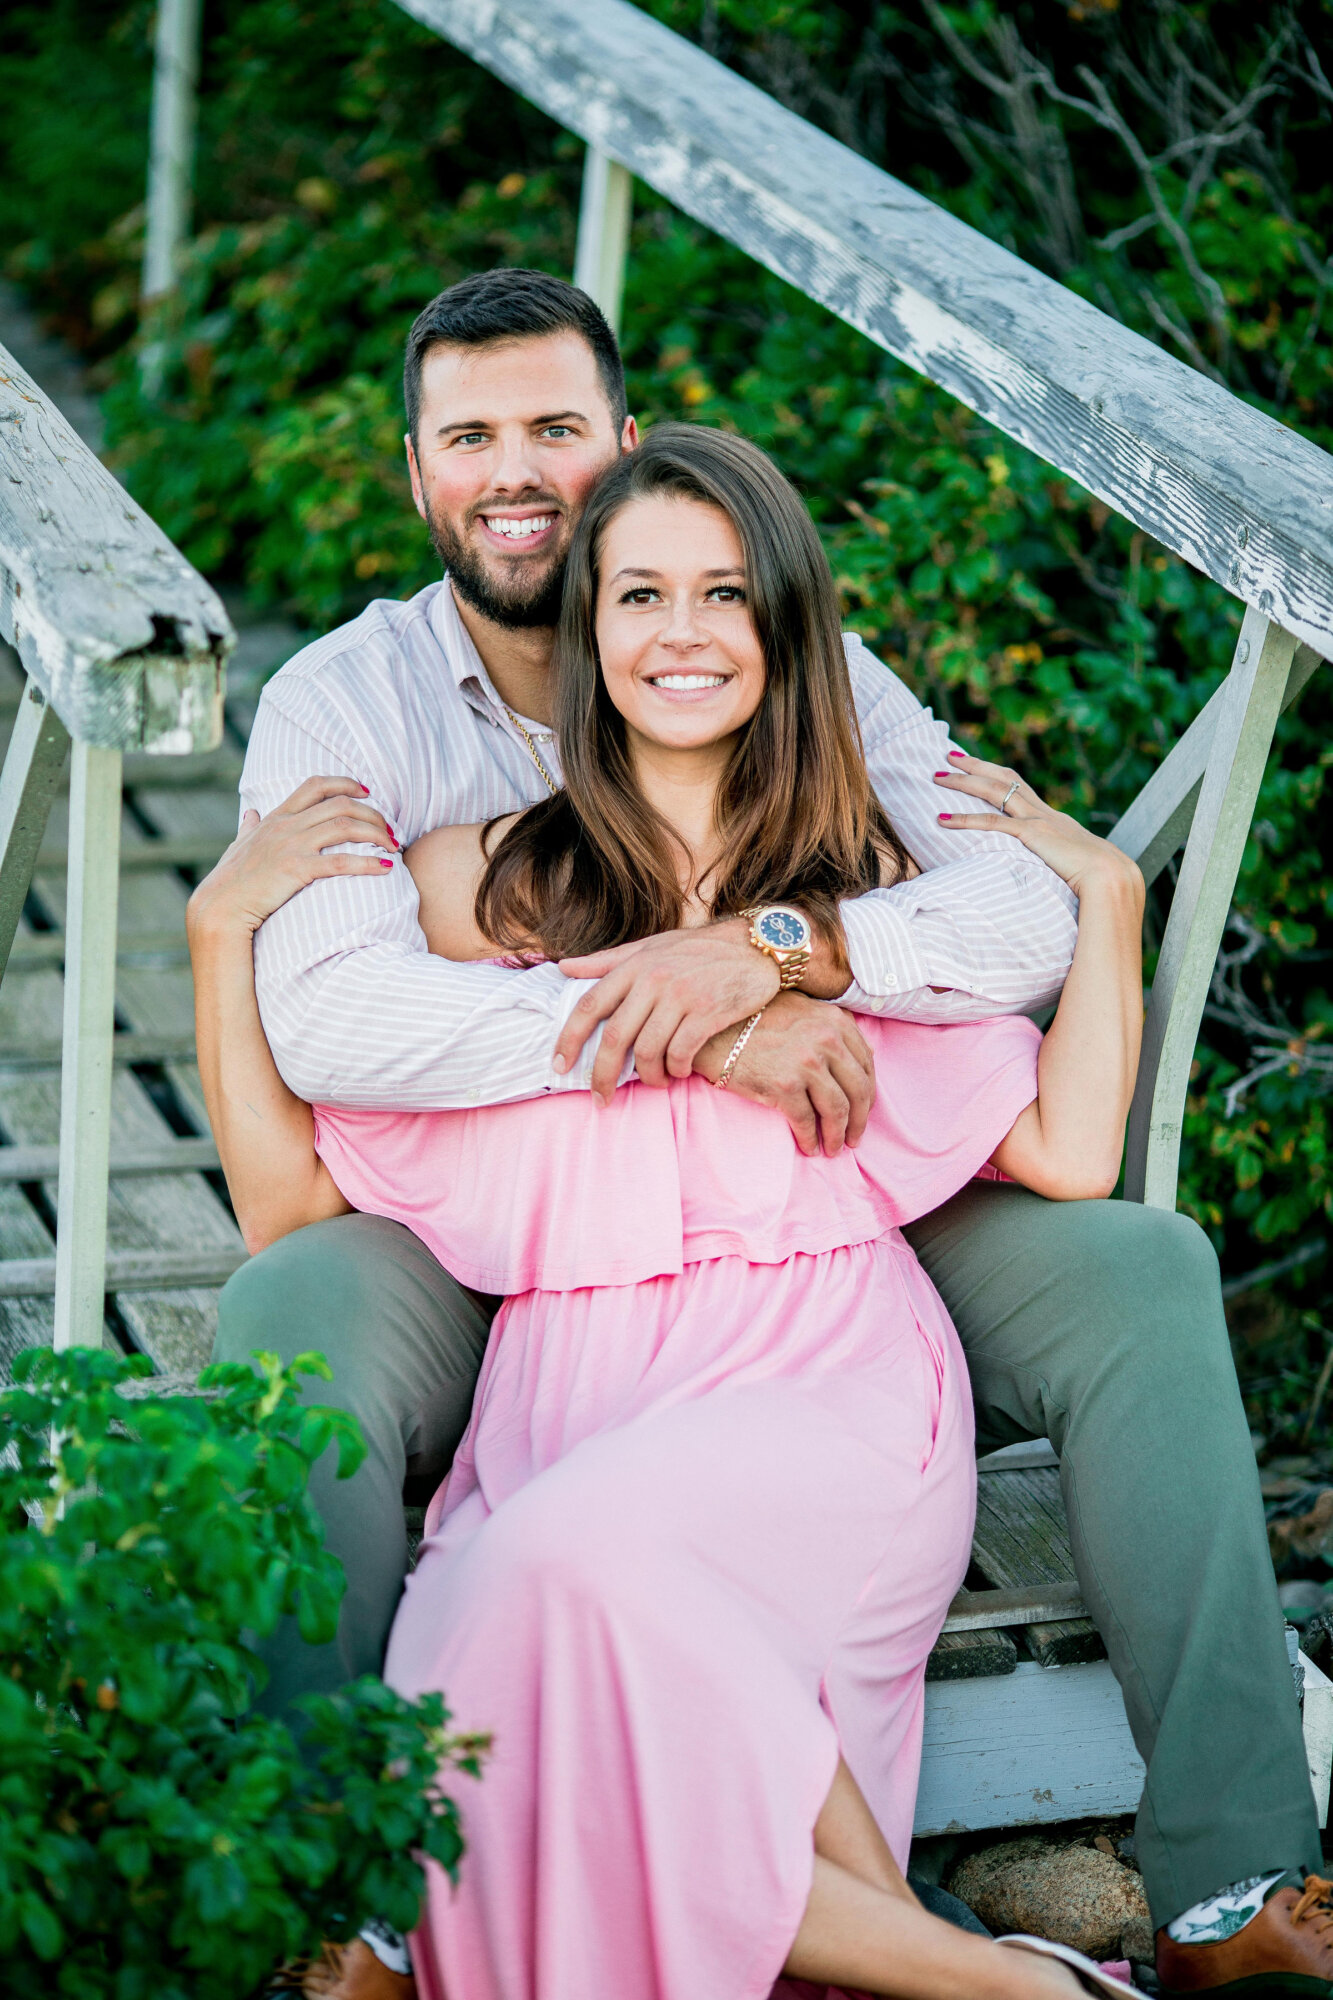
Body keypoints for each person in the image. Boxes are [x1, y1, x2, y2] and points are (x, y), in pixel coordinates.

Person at [209, 267, 1323, 1998]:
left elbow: (1012, 910)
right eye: (471, 437)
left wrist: (786, 948)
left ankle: (1225, 1892)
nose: (518, 473)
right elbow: (337, 1019)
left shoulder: (796, 679)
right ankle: (326, 1910)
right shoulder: (356, 717)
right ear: (413, 466)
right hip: (511, 1226)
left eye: (555, 430)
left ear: (623, 443)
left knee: (1132, 1266)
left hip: (809, 1235)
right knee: (299, 1342)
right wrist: (686, 1021)